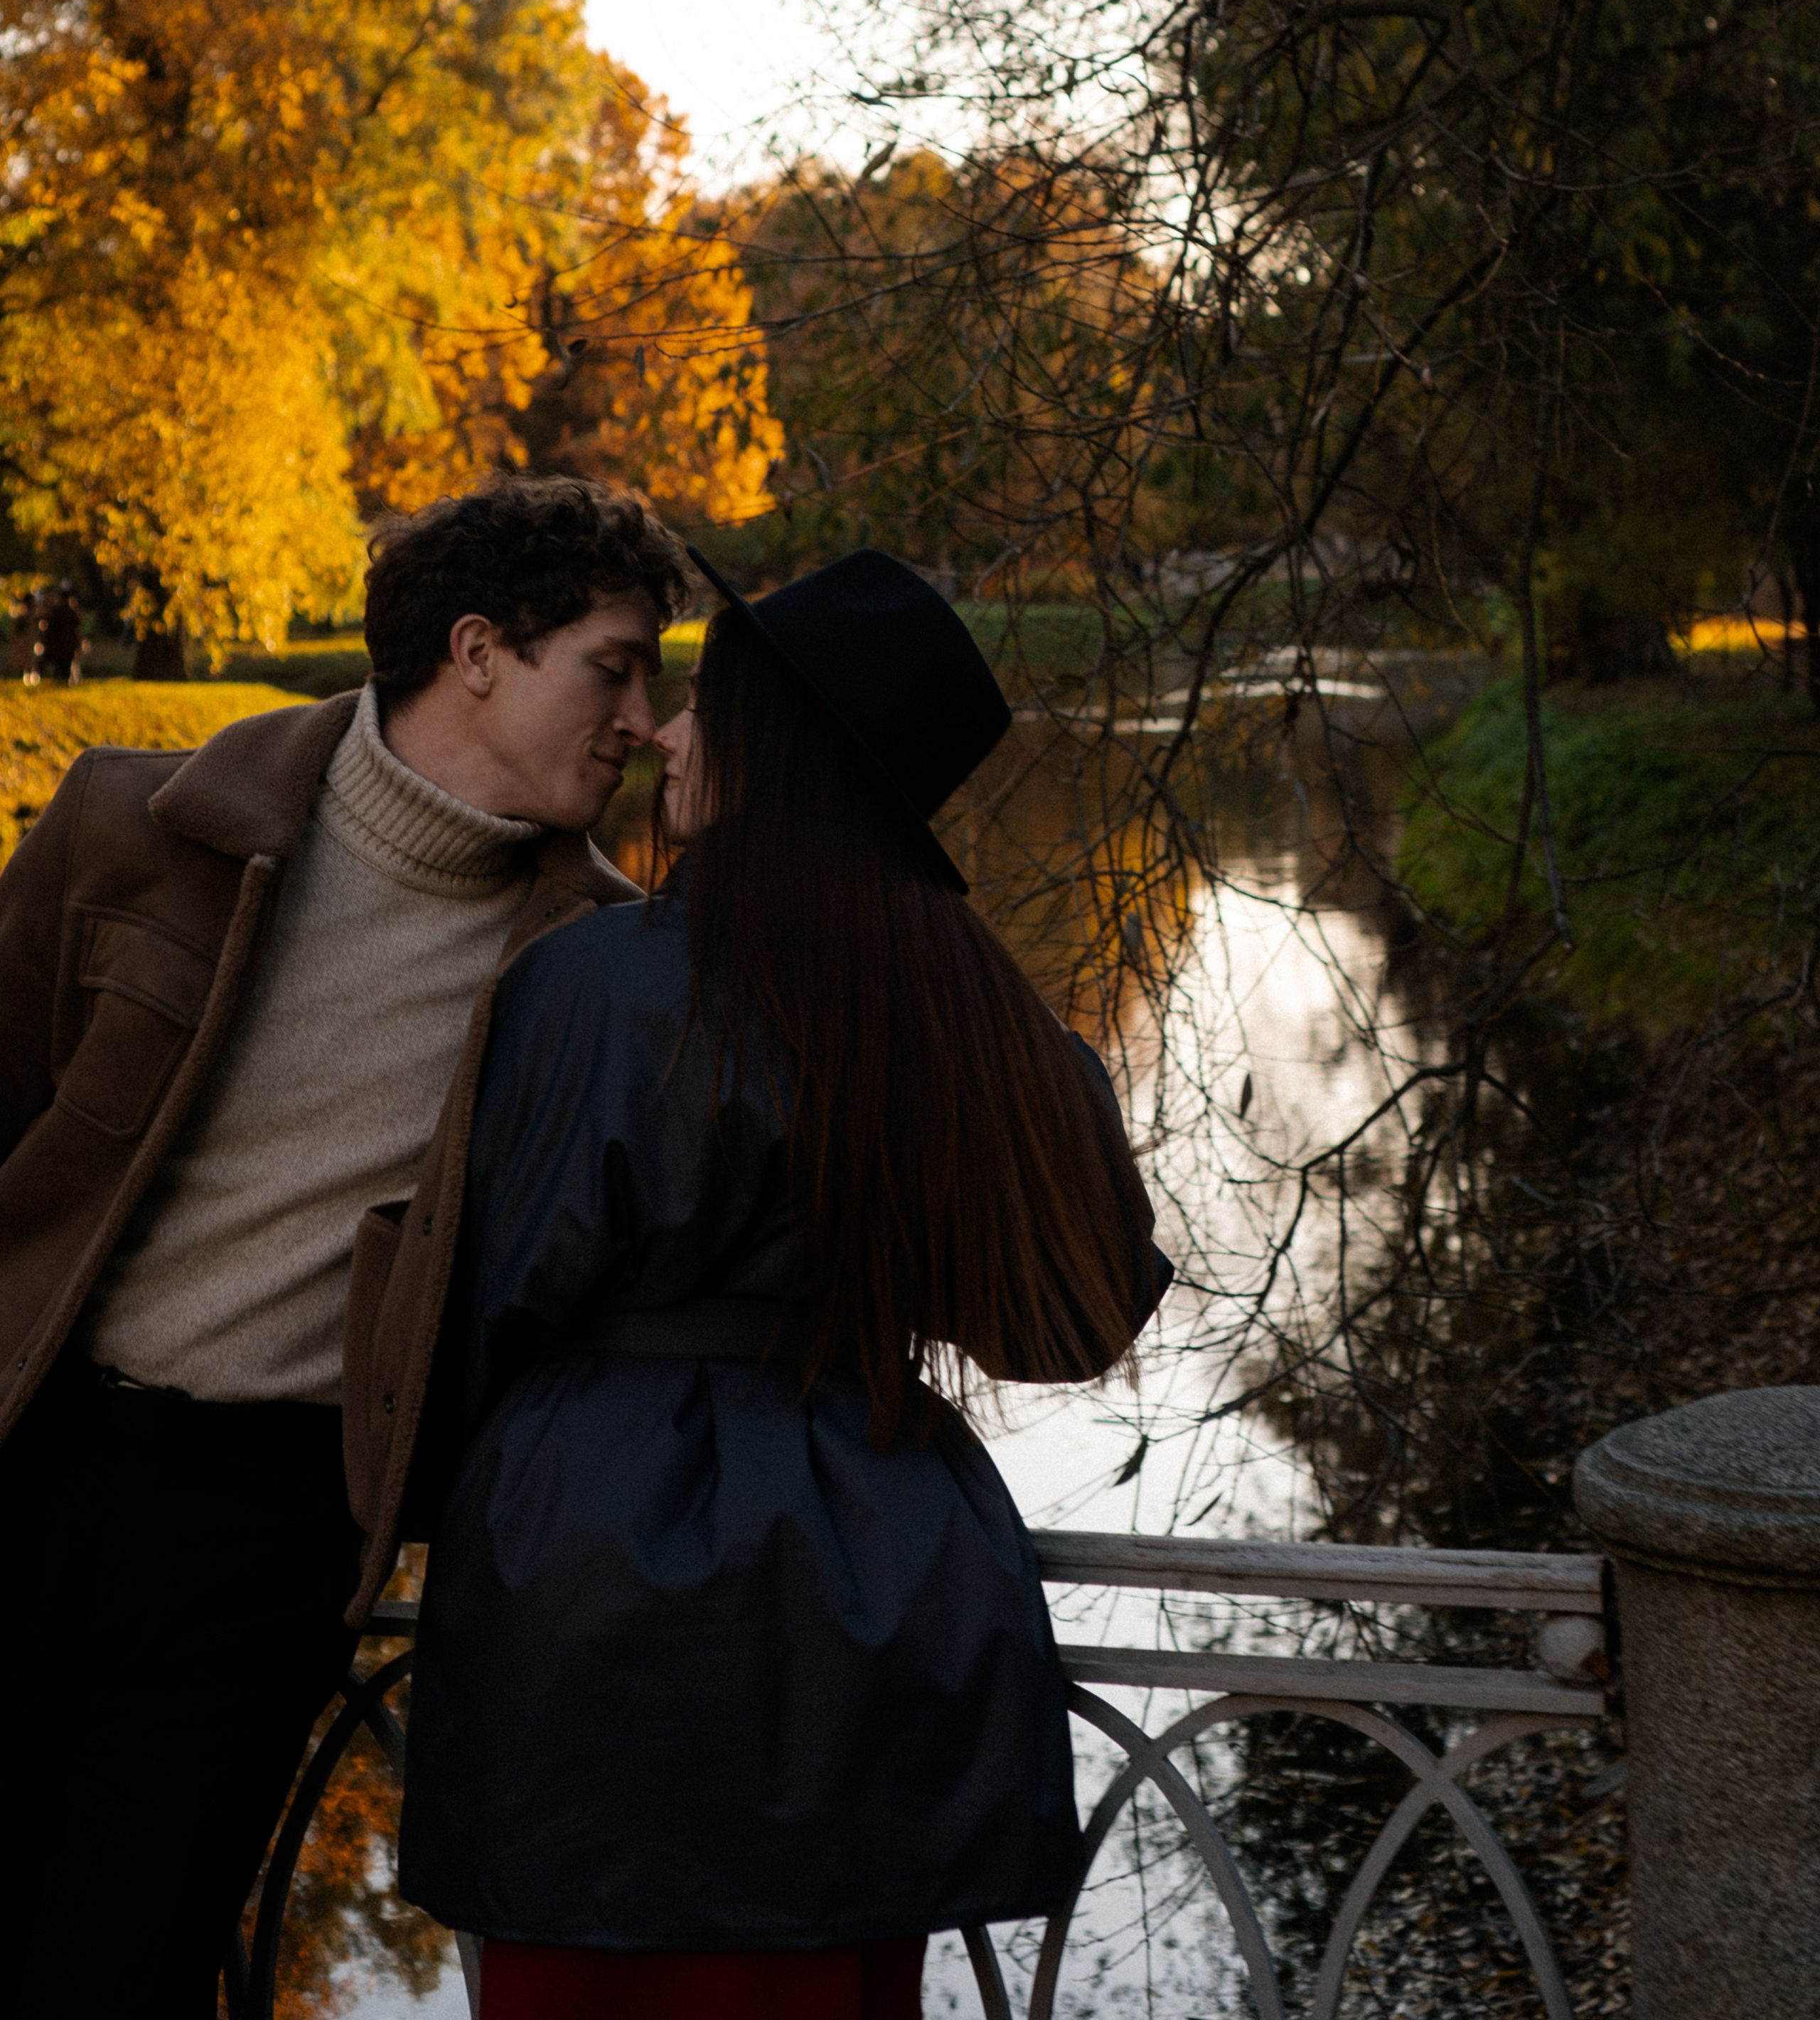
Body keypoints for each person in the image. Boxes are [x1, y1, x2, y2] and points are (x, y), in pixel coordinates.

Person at [399, 547, 1172, 2020]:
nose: (666, 735)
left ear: (780, 752)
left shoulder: (593, 985)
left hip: (594, 1601)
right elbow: (1071, 1319)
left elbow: (483, 1302)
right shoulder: (979, 1021)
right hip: (873, 1594)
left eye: (703, 706)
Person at [0, 474, 690, 2020]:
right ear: (475, 653)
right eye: (615, 664)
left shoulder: (588, 966)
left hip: (262, 1539)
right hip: (25, 1443)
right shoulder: (135, 824)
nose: (644, 717)